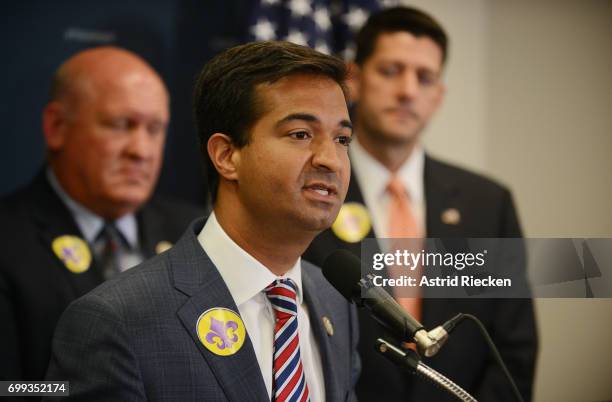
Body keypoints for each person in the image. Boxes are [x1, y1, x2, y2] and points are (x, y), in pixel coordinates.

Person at [45, 41, 359, 401]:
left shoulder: (336, 302)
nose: (331, 160)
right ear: (227, 156)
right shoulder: (116, 321)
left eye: (342, 139)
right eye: (300, 134)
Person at [304, 7, 538, 402]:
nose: (408, 90)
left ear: (438, 96)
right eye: (391, 71)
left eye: (424, 77)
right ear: (355, 80)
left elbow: (514, 349)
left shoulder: (488, 204)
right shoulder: (309, 190)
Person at [0, 46, 203, 383]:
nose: (141, 150)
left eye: (154, 129)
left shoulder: (196, 233)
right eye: (121, 125)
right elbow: (9, 389)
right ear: (57, 127)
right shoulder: (7, 242)